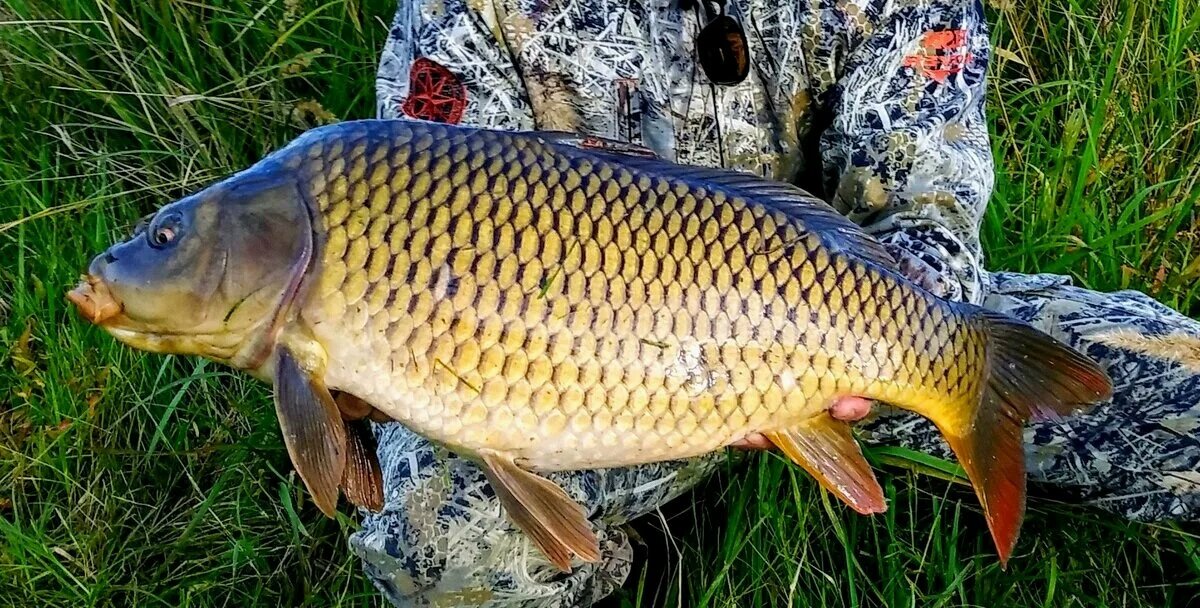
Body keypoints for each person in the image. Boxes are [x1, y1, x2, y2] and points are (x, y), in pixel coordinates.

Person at [347, 0, 1200, 605]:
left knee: (1184, 408)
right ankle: (614, 557)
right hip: (573, 369)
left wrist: (873, 348)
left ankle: (963, 393)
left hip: (848, 335)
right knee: (434, 543)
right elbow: (427, 222)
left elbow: (924, 203)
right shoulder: (468, 10)